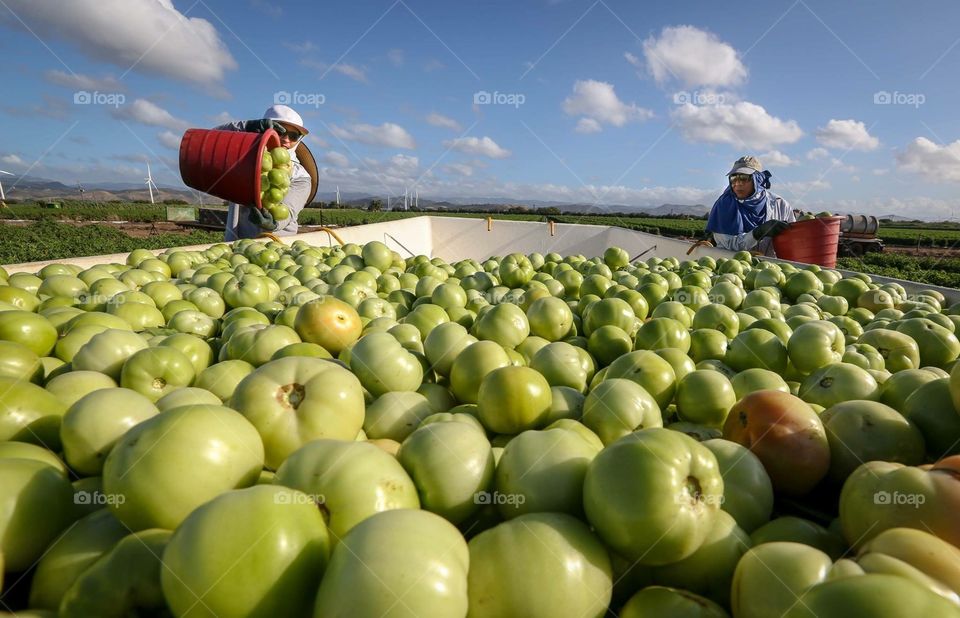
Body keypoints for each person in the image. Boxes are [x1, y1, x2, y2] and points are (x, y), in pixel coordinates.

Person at [215, 105, 315, 241]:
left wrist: (274, 223)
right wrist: (247, 127)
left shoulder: (300, 176)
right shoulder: (242, 160)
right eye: (280, 131)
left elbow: (288, 210)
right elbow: (212, 139)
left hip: (277, 247)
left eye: (293, 136)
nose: (286, 139)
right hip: (237, 243)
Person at [705, 155, 794, 256]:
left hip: (772, 268)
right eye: (733, 178)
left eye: (743, 178)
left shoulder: (780, 204)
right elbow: (728, 245)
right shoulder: (724, 206)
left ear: (758, 179)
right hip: (733, 268)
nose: (737, 183)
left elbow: (794, 240)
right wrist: (758, 232)